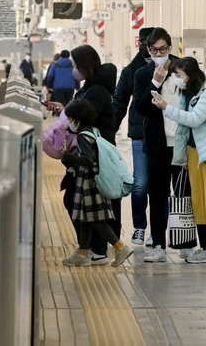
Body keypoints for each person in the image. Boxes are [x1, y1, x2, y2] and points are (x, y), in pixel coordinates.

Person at [45, 44, 121, 264]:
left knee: (84, 204)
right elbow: (81, 112)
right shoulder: (90, 86)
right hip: (89, 152)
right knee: (82, 203)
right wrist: (64, 109)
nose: (74, 70)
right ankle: (88, 251)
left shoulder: (97, 90)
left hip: (92, 155)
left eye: (76, 65)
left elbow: (86, 116)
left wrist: (67, 116)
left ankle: (97, 250)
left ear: (86, 66)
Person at [150, 56, 206, 264]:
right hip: (194, 152)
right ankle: (204, 249)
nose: (177, 78)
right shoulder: (188, 94)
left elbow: (194, 119)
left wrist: (166, 108)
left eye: (179, 75)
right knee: (198, 201)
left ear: (190, 75)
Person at [133, 27, 189, 262]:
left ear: (170, 48)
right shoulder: (143, 74)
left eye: (163, 49)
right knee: (157, 195)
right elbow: (141, 108)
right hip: (157, 144)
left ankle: (186, 243)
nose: (159, 53)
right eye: (154, 50)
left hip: (182, 142)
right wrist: (155, 82)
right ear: (148, 49)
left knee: (183, 193)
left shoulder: (183, 69)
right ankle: (158, 245)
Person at [60, 99, 134, 267]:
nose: (69, 122)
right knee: (86, 219)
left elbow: (87, 160)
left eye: (70, 118)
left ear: (78, 119)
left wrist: (68, 156)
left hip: (89, 183)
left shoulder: (82, 137)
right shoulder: (93, 131)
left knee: (95, 219)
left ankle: (120, 248)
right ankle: (83, 253)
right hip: (92, 181)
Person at [113, 27, 154, 246]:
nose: (146, 48)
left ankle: (157, 231)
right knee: (140, 183)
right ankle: (140, 227)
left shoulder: (171, 65)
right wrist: (110, 129)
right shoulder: (132, 70)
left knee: (160, 186)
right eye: (143, 43)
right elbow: (120, 100)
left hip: (167, 134)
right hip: (140, 132)